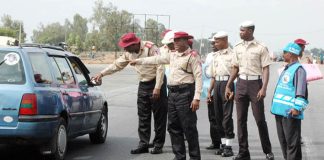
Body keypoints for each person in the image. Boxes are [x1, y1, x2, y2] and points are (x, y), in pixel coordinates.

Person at [130, 31, 202, 160]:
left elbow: (198, 77)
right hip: (172, 93)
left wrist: (196, 97)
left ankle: (195, 157)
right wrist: (139, 61)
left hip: (185, 93)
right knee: (173, 127)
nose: (175, 44)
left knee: (188, 127)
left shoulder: (192, 56)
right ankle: (179, 156)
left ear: (185, 41)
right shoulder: (172, 55)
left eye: (177, 41)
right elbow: (156, 59)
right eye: (173, 41)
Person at [92, 32, 168, 154]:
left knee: (159, 116)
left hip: (157, 83)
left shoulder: (151, 48)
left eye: (126, 46)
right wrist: (102, 73)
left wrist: (158, 87)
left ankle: (158, 144)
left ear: (134, 44)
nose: (124, 48)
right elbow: (117, 65)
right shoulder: (129, 53)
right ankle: (143, 143)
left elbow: (160, 66)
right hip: (143, 84)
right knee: (143, 116)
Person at [225, 21, 274, 160]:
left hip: (255, 84)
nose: (240, 32)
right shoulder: (237, 47)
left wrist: (263, 88)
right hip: (240, 83)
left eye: (243, 30)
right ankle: (243, 152)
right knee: (240, 120)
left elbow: (265, 68)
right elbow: (235, 67)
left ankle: (268, 151)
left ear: (251, 31)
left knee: (260, 119)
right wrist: (229, 84)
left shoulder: (261, 47)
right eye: (240, 30)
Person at [271, 42, 308, 160]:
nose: (283, 54)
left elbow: (301, 91)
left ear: (291, 53)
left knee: (292, 144)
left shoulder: (299, 70)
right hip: (280, 112)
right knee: (284, 143)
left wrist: (297, 108)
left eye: (285, 52)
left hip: (290, 112)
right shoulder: (287, 68)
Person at [208, 31, 235, 157]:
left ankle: (229, 146)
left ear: (225, 40)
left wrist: (229, 86)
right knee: (218, 116)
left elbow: (236, 71)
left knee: (227, 117)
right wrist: (209, 91)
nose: (215, 44)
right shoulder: (215, 56)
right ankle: (223, 144)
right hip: (217, 85)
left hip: (227, 85)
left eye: (217, 41)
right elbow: (213, 75)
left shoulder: (233, 54)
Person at [205, 33, 222, 151]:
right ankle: (215, 141)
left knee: (222, 117)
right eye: (211, 43)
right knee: (212, 116)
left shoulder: (229, 54)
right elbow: (207, 75)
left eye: (214, 42)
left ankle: (224, 142)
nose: (212, 45)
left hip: (222, 86)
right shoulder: (209, 56)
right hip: (211, 87)